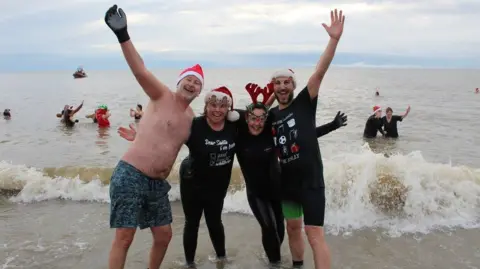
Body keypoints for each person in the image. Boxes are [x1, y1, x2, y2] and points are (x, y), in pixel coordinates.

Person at [104, 5, 204, 269]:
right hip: (131, 174)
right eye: (189, 80)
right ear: (180, 81)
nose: (192, 85)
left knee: (164, 235)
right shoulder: (161, 95)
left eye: (197, 83)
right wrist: (123, 36)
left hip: (157, 185)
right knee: (124, 237)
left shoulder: (191, 120)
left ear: (199, 91)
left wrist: (139, 134)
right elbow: (140, 70)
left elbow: (166, 139)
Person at [119, 86, 240, 268]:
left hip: (218, 184)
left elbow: (256, 120)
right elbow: (167, 138)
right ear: (206, 106)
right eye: (213, 105)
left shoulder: (233, 127)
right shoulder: (195, 125)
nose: (217, 110)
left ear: (229, 110)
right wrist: (140, 137)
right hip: (192, 181)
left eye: (223, 106)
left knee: (215, 221)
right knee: (192, 222)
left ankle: (221, 260)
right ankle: (189, 263)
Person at [267, 9, 345, 269]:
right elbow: (250, 118)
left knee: (314, 235)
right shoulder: (271, 116)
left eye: (287, 82)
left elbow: (320, 72)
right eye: (277, 83)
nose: (282, 86)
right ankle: (298, 266)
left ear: (293, 84)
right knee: (292, 228)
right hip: (286, 184)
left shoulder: (304, 102)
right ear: (273, 88)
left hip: (311, 182)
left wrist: (333, 40)